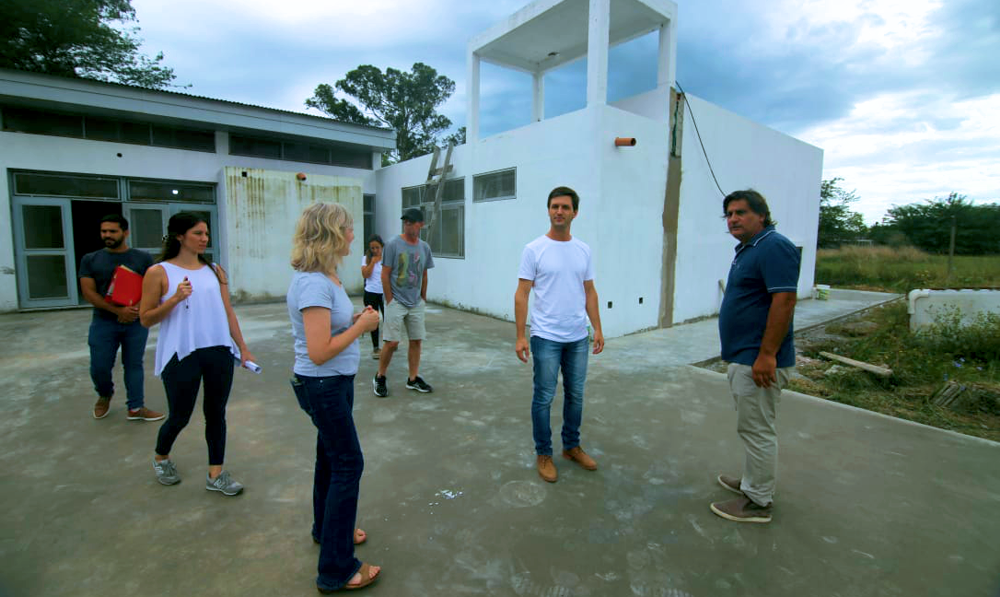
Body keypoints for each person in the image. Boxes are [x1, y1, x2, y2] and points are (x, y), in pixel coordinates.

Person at [287, 202, 382, 593]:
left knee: (329, 459)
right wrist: (362, 326)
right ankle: (336, 569)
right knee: (348, 464)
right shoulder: (314, 282)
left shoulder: (328, 276)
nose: (352, 236)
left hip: (334, 384)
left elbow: (328, 334)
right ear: (330, 232)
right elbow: (320, 350)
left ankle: (326, 531)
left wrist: (355, 319)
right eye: (347, 229)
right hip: (322, 385)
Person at [139, 212, 255, 497]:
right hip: (181, 353)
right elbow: (145, 318)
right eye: (198, 234)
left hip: (217, 350)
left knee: (216, 414)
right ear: (180, 236)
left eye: (206, 233)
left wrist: (243, 347)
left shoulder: (215, 270)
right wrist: (176, 298)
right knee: (180, 415)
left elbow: (227, 311)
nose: (205, 239)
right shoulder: (159, 272)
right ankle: (161, 457)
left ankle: (216, 474)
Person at [711, 189, 800, 524]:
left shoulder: (774, 246)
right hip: (746, 356)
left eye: (741, 213)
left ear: (761, 215)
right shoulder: (749, 249)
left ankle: (758, 502)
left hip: (757, 361)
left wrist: (767, 355)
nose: (733, 219)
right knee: (751, 427)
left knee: (757, 430)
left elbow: (785, 302)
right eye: (729, 214)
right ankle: (752, 484)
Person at [514, 186, 605, 483]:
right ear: (548, 210)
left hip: (578, 336)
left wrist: (598, 328)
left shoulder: (583, 250)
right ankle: (544, 453)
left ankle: (571, 446)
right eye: (554, 206)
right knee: (544, 396)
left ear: (575, 212)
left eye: (565, 207)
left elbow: (589, 291)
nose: (559, 211)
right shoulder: (534, 249)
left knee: (576, 395)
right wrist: (520, 335)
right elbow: (522, 294)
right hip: (546, 337)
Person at [78, 214, 163, 422]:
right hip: (103, 321)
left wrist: (133, 310)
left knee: (133, 364)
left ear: (125, 233)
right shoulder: (90, 259)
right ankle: (104, 394)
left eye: (112, 231)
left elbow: (152, 287)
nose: (107, 235)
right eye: (103, 231)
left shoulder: (142, 258)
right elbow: (88, 292)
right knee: (99, 366)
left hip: (135, 322)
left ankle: (135, 407)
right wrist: (118, 312)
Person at [372, 208, 435, 397]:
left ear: (420, 224)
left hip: (416, 302)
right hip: (396, 301)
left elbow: (424, 274)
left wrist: (423, 298)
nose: (407, 225)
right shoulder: (392, 244)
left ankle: (413, 379)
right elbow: (385, 274)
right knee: (391, 342)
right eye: (405, 222)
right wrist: (390, 300)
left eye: (411, 222)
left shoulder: (424, 247)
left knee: (416, 341)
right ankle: (380, 376)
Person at [360, 234, 385, 360]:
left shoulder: (387, 258)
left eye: (377, 248)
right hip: (371, 293)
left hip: (385, 293)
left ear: (382, 247)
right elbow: (365, 275)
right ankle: (376, 347)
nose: (375, 250)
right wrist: (373, 262)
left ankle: (389, 342)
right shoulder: (366, 258)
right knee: (374, 321)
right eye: (372, 248)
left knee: (389, 319)